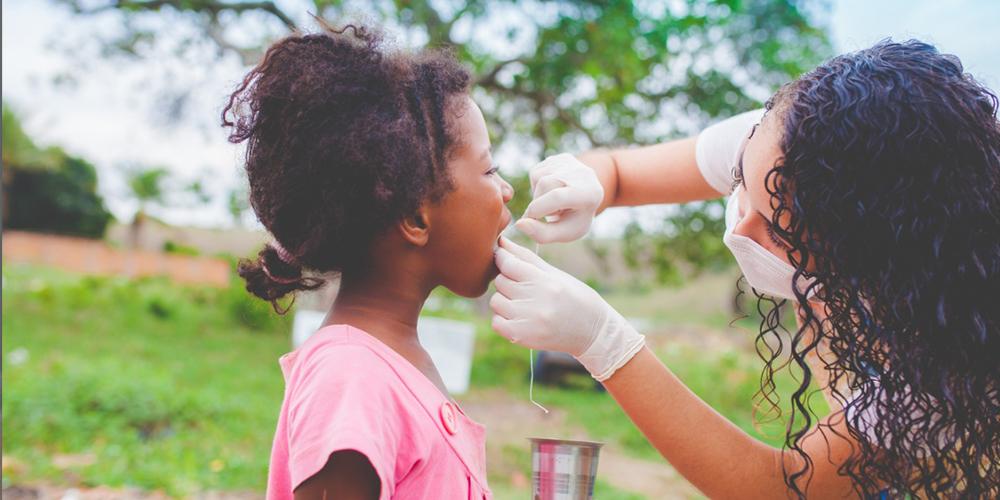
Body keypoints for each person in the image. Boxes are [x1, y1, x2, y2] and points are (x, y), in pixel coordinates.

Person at [490, 39, 999, 498]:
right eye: (740, 182)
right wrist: (584, 181)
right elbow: (620, 172)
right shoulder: (786, 141)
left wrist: (605, 342)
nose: (739, 228)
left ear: (874, 257)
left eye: (779, 232)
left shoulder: (951, 342)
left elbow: (782, 490)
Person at [222, 24, 512, 500]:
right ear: (416, 216)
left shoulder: (395, 360)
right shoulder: (352, 377)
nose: (506, 190)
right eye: (489, 169)